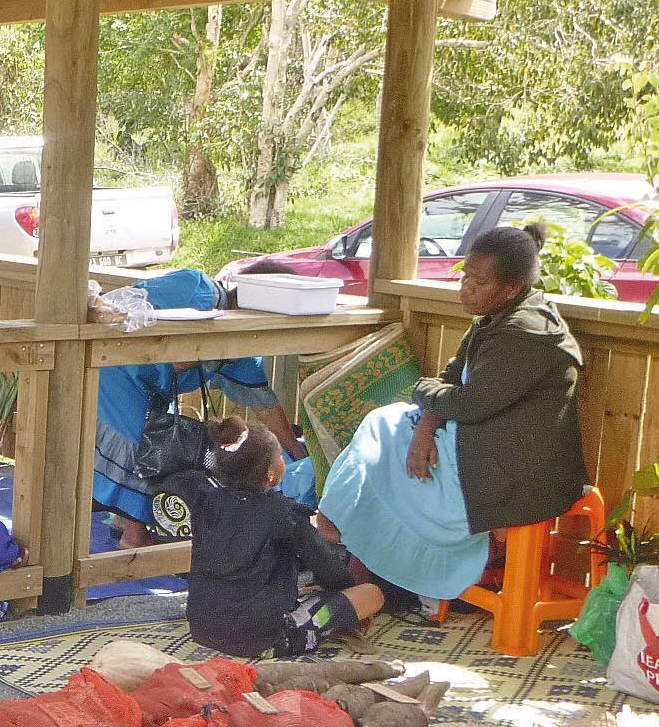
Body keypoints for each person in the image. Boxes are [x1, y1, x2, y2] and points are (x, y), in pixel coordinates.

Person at [318, 222, 587, 601]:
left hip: (515, 472)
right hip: (482, 441)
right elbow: (450, 378)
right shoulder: (495, 319)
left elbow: (468, 402)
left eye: (479, 283)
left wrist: (423, 394)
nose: (467, 288)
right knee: (385, 425)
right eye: (466, 277)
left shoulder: (524, 334)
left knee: (389, 446)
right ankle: (348, 546)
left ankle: (342, 535)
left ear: (511, 288)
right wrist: (425, 428)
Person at [89, 267, 305, 549]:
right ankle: (133, 535)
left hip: (150, 388)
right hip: (117, 370)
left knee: (153, 449)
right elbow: (129, 310)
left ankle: (126, 522)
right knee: (136, 449)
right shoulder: (194, 286)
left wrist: (296, 452)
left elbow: (264, 405)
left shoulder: (244, 347)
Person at [180, 417, 384, 658]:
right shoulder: (284, 513)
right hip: (264, 639)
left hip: (202, 629)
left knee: (295, 592)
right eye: (279, 456)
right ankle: (314, 627)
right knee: (371, 594)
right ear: (270, 473)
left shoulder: (204, 502)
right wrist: (343, 597)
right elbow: (331, 572)